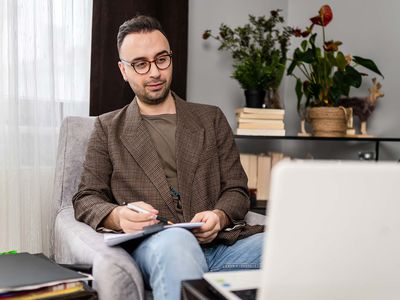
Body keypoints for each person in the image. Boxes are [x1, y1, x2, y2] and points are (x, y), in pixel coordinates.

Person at [72, 15, 264, 300]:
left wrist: (219, 216)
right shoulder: (107, 128)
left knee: (288, 245)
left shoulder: (210, 118)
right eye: (140, 64)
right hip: (157, 246)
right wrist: (118, 216)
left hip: (222, 246)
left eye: (162, 59)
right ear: (123, 70)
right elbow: (86, 197)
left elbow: (236, 189)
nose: (154, 72)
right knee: (175, 242)